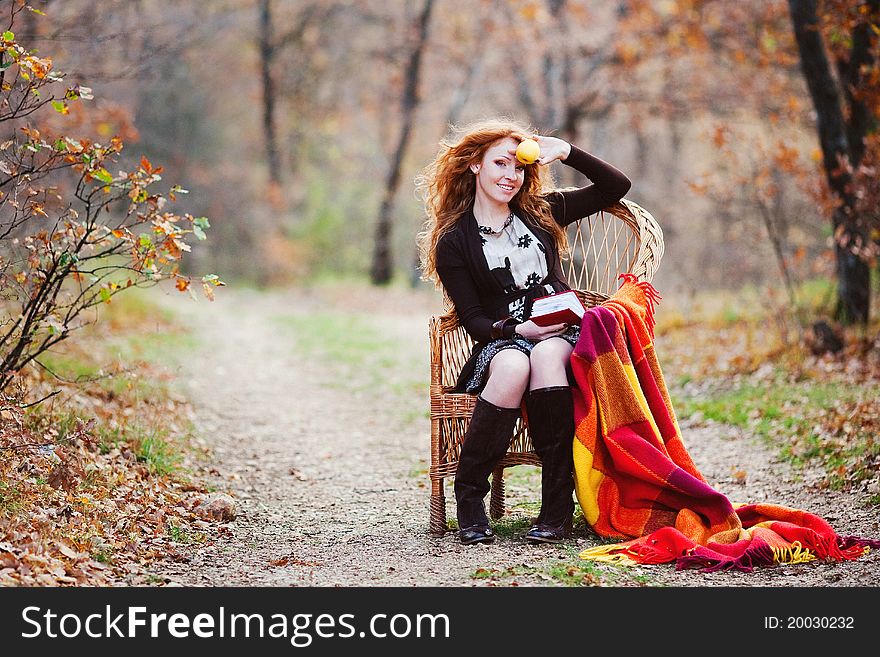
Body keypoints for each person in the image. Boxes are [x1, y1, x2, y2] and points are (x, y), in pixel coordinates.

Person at [417, 119, 631, 545]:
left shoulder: (540, 211)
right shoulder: (454, 241)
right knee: (515, 365)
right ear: (474, 165)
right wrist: (518, 328)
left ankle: (556, 507)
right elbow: (474, 319)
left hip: (562, 332)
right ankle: (470, 498)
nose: (510, 176)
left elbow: (616, 186)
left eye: (518, 167)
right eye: (499, 163)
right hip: (504, 335)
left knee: (548, 355)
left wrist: (566, 150)